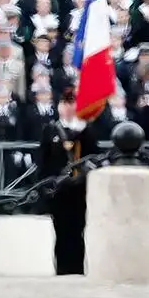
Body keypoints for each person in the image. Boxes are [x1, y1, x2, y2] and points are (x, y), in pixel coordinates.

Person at [37, 88, 95, 274]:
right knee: (60, 231)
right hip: (58, 190)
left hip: (79, 189)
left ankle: (77, 268)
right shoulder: (51, 129)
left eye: (72, 103)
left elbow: (94, 158)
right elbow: (43, 161)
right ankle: (61, 269)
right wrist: (44, 188)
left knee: (78, 230)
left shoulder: (86, 130)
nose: (68, 107)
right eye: (65, 103)